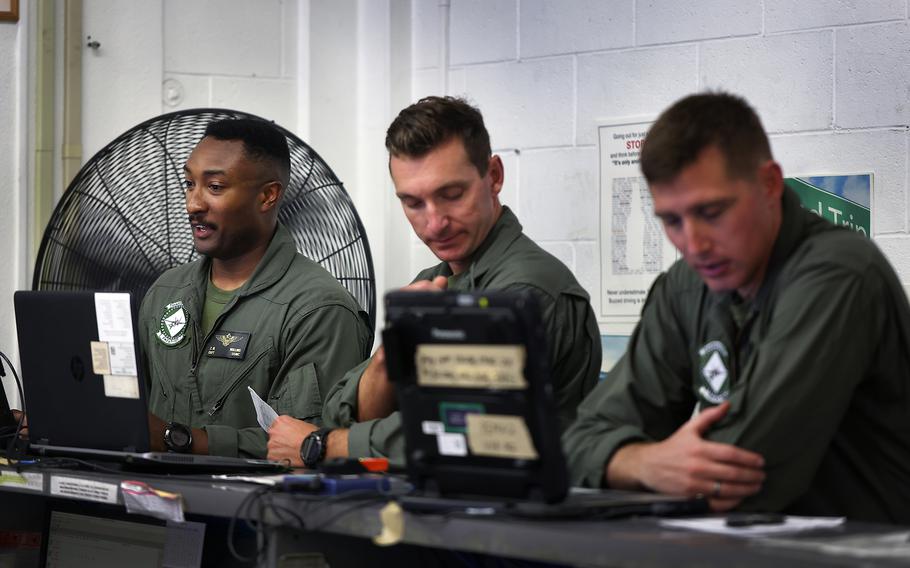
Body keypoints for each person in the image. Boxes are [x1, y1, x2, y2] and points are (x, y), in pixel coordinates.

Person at [563, 92, 910, 523]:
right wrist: (645, 463)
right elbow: (577, 446)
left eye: (712, 212)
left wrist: (640, 464)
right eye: (672, 220)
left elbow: (740, 471)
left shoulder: (839, 273)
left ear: (768, 184)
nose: (693, 244)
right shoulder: (685, 288)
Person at [267, 96, 601, 468]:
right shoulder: (434, 282)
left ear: (493, 177)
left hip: (517, 513)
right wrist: (386, 358)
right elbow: (343, 414)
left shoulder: (526, 290)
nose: (434, 222)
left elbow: (465, 432)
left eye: (452, 195)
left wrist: (322, 445)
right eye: (413, 203)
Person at [139, 118, 372, 458]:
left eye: (215, 187)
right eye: (189, 184)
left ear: (267, 196)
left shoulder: (319, 310)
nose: (193, 204)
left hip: (255, 508)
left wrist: (181, 439)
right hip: (148, 503)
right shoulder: (165, 292)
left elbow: (313, 446)